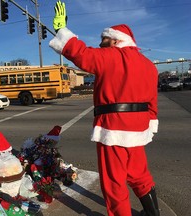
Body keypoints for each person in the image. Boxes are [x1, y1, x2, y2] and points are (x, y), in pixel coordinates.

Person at [49, 1, 160, 216]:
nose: (100, 43)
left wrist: (61, 29)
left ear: (117, 40)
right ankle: (152, 213)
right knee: (139, 173)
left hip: (113, 129)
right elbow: (152, 102)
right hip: (139, 129)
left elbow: (81, 53)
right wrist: (150, 123)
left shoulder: (110, 57)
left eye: (104, 39)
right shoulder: (148, 65)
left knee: (114, 182)